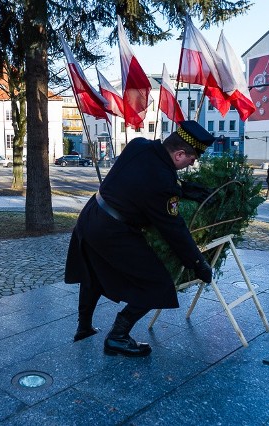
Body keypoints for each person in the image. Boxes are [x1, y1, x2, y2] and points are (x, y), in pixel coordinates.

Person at [64, 121, 214, 357]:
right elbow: (174, 230)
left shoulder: (138, 145)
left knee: (91, 272)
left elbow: (141, 177)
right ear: (179, 154)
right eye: (192, 159)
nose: (192, 164)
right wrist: (198, 264)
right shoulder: (164, 183)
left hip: (91, 215)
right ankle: (118, 336)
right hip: (113, 230)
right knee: (157, 284)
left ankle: (84, 328)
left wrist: (181, 188)